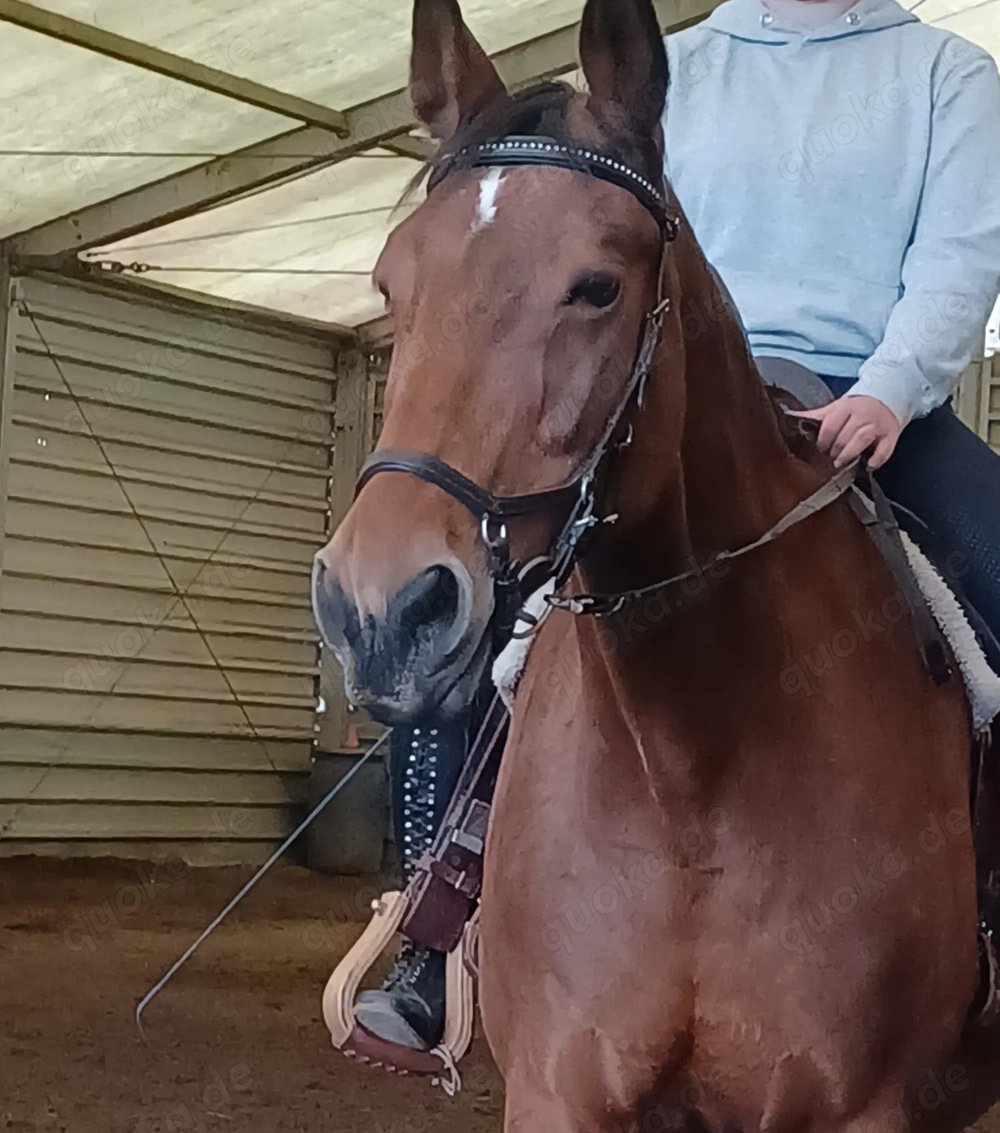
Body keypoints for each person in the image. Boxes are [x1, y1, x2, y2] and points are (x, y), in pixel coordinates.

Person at [356, 0, 1000, 1052]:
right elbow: (582, 245)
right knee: (461, 591)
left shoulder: (946, 76)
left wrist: (889, 388)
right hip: (677, 397)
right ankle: (436, 927)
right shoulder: (671, 73)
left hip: (871, 404)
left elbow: (960, 260)